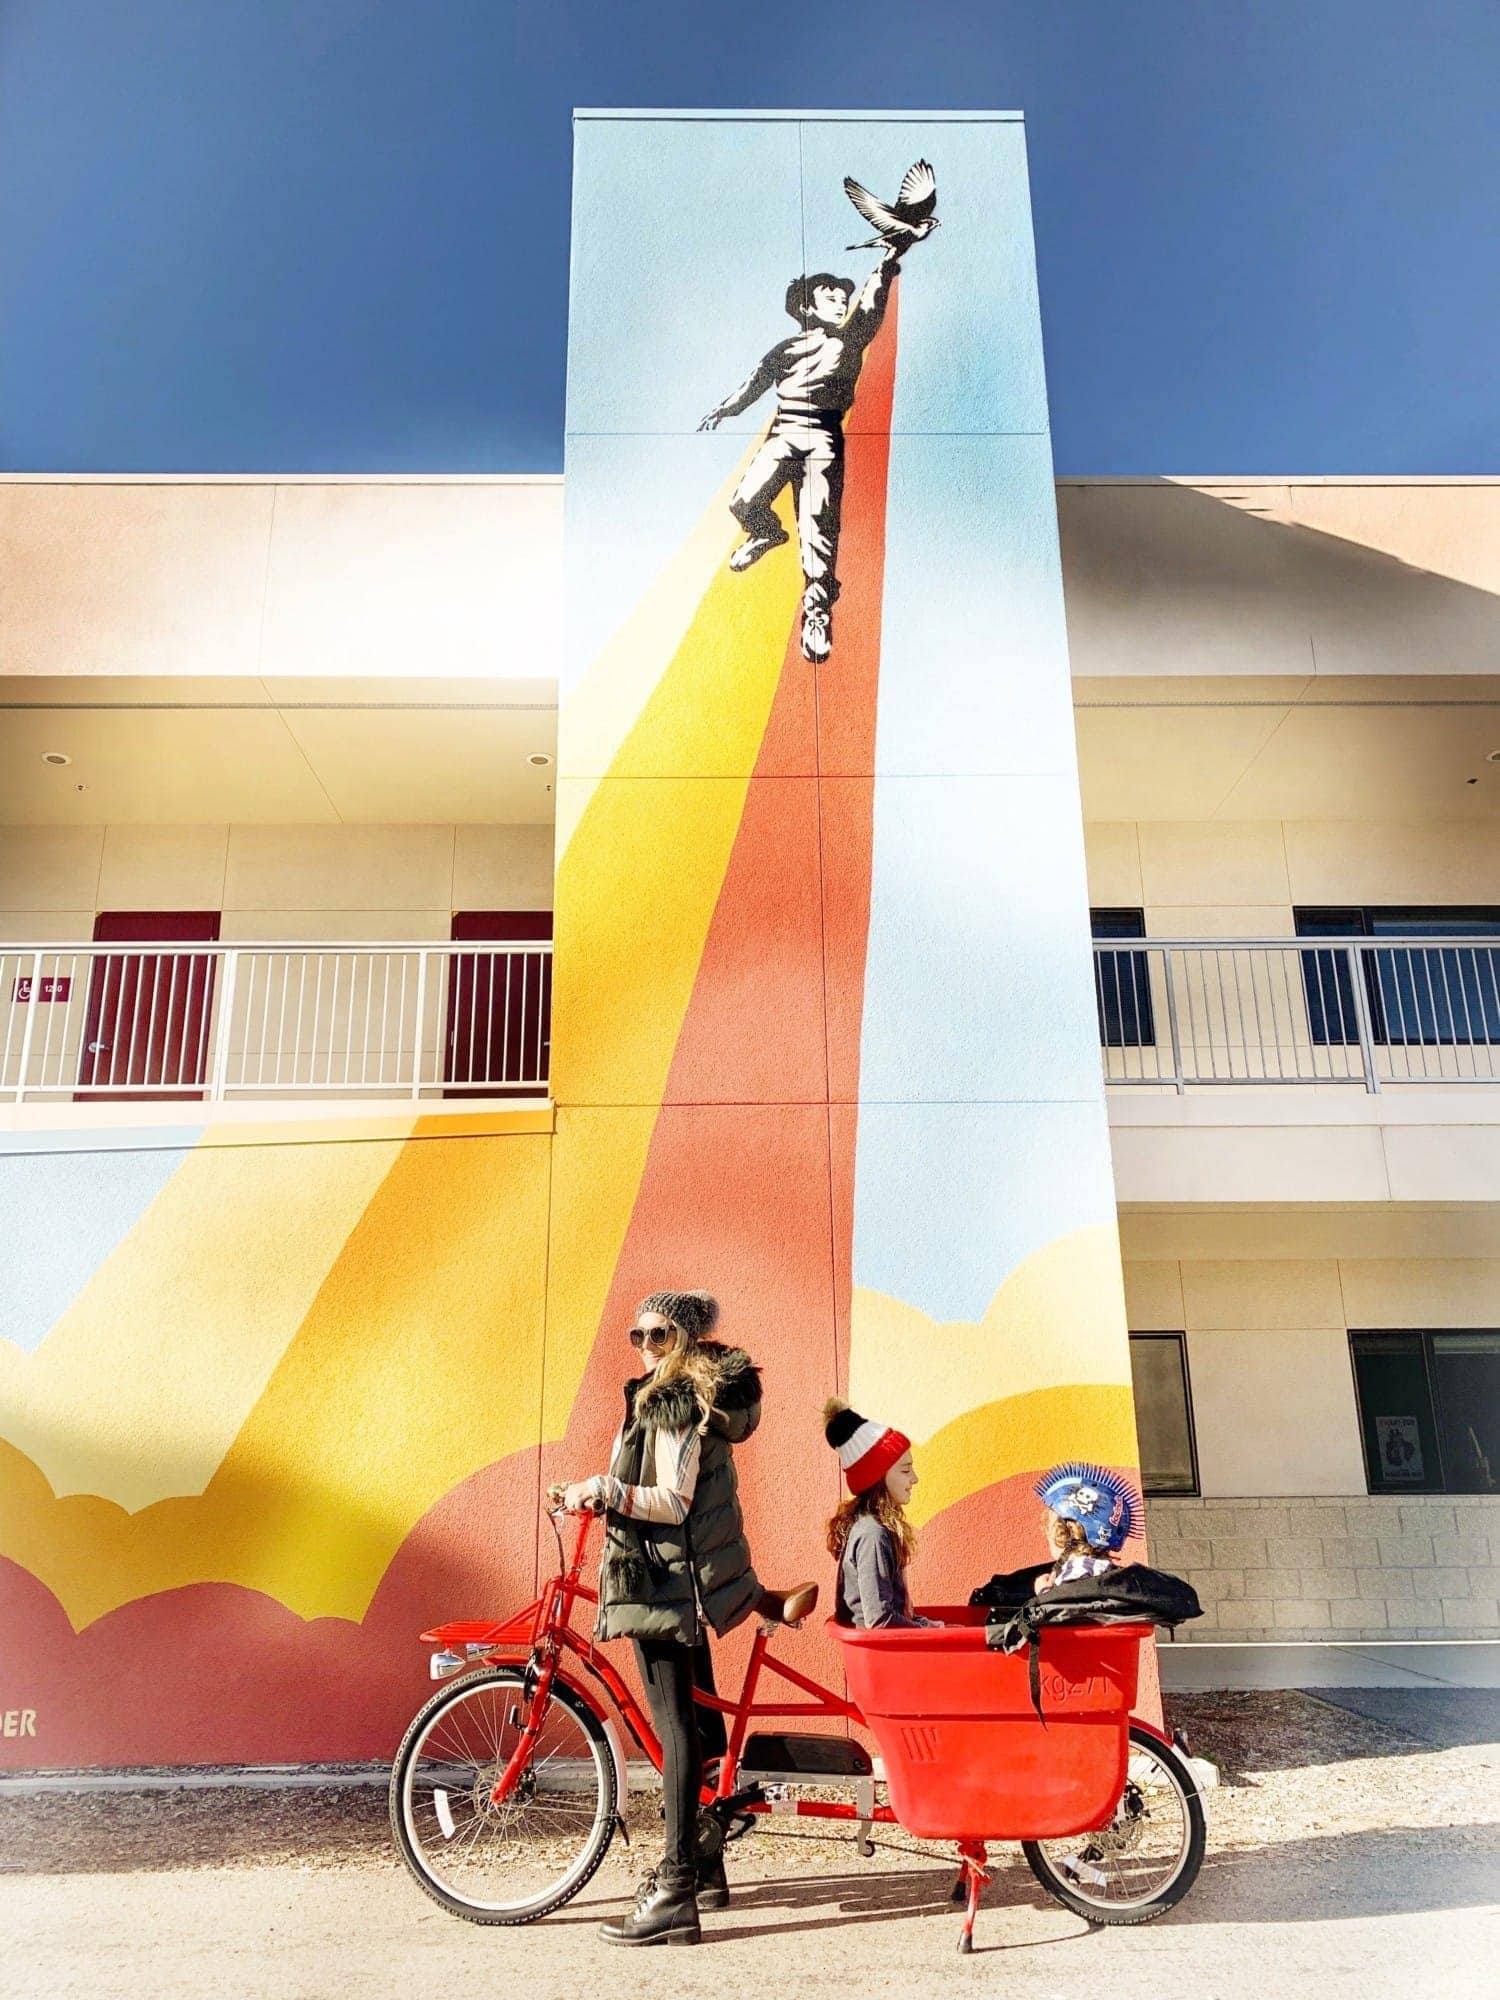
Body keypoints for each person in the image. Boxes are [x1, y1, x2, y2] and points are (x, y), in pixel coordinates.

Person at [554, 1290, 761, 1948]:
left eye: (658, 1334)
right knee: (693, 1726)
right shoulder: (660, 1394)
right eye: (637, 1334)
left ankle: (674, 1890)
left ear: (686, 1340)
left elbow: (672, 1500)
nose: (644, 1344)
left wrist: (605, 1490)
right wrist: (595, 1487)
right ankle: (706, 1865)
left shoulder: (671, 1400)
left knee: (674, 1732)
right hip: (674, 1579)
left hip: (664, 1583)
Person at [697, 237, 921, 665]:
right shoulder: (784, 350)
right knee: (744, 501)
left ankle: (817, 613)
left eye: (843, 297)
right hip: (782, 433)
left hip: (822, 437)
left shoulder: (850, 339)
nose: (841, 301)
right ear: (806, 307)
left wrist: (889, 258)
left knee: (818, 530)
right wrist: (723, 410)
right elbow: (753, 385)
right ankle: (766, 532)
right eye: (830, 296)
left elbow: (872, 299)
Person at [823, 1398, 938, 1629]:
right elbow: (880, 1621)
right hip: (879, 1661)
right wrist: (926, 1631)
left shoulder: (874, 1528)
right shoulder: (872, 1535)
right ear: (879, 1479)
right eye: (905, 1470)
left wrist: (924, 1624)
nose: (914, 1478)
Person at [1033, 1461, 1140, 1592]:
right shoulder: (1120, 1580)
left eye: (1048, 1529)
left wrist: (1045, 1594)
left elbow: (1071, 1608)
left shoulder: (1077, 1572)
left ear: (1063, 1532)